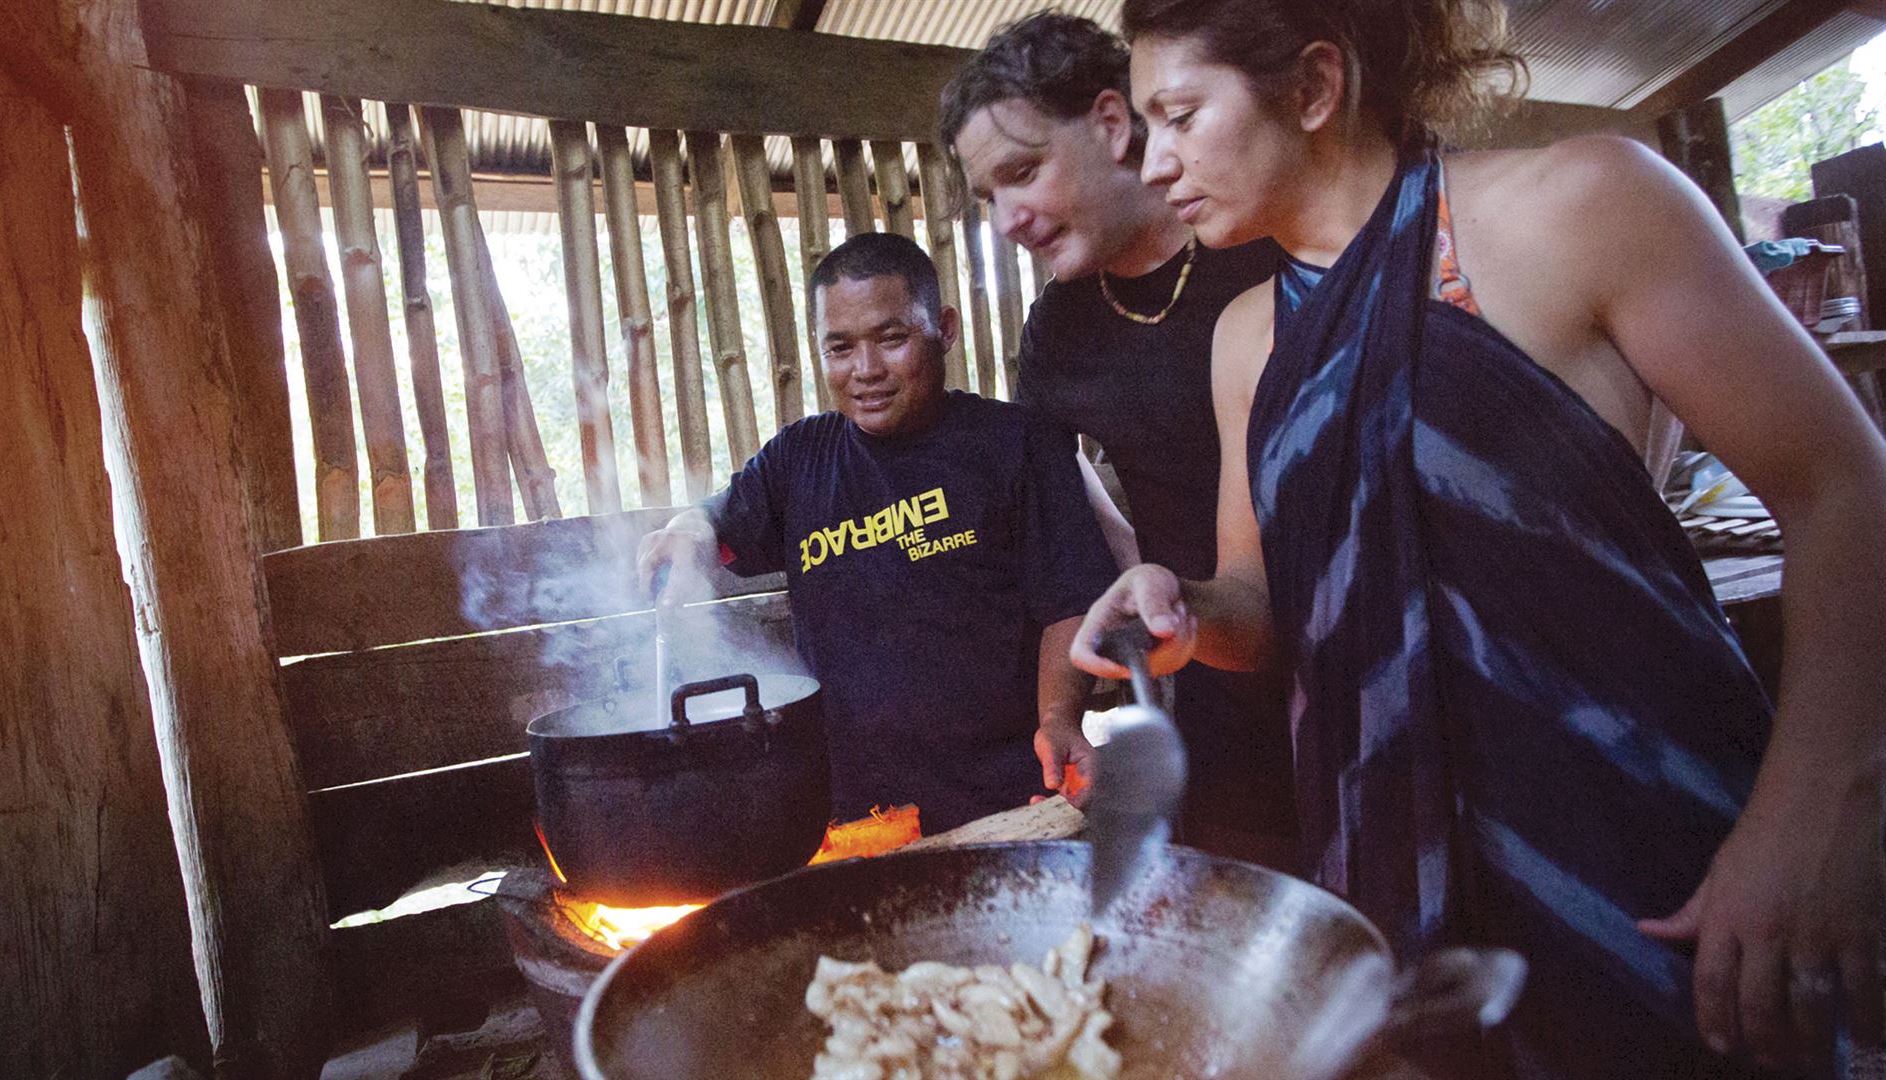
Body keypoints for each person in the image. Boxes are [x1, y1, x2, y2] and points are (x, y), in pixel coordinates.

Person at [1070, 0, 1886, 1076]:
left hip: (1663, 858)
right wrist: (1178, 607)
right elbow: (1260, 609)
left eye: (1179, 115)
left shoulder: (1581, 204)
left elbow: (1847, 490)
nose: (1156, 162)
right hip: (1392, 902)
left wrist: (1804, 824)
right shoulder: (1246, 338)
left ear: (1314, 88)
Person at [941, 11, 1297, 867]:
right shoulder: (1060, 334)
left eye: (1023, 172)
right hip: (1218, 689)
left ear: (1110, 123)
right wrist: (1059, 716)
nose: (1007, 220)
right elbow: (1054, 528)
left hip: (1376, 661)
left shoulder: (1272, 250)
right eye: (990, 197)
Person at [637, 232, 1119, 835]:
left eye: (891, 339)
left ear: (943, 329)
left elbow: (1070, 601)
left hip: (1004, 806)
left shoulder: (1016, 445)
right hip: (849, 814)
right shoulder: (799, 460)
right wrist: (685, 541)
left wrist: (1058, 718)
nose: (865, 371)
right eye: (839, 348)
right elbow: (711, 520)